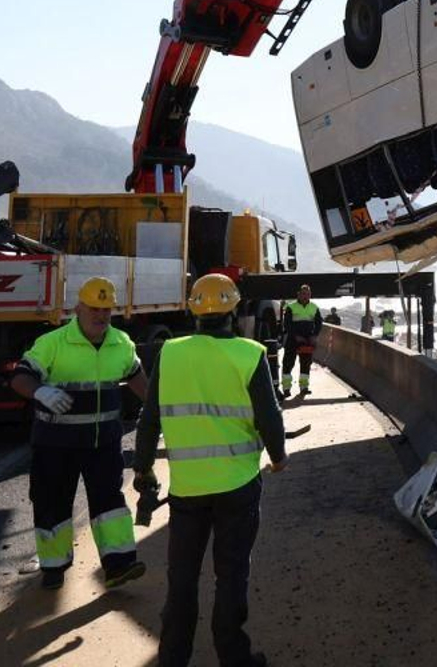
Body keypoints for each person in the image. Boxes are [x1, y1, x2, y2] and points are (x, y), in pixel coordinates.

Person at [134, 273, 285, 667]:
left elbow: (149, 419)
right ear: (234, 311)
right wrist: (278, 456)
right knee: (231, 576)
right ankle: (234, 657)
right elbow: (269, 417)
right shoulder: (250, 354)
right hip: (238, 487)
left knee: (182, 581)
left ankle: (173, 658)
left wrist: (143, 469)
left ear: (193, 311)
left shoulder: (169, 353)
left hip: (187, 491)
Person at [9, 276, 148, 590]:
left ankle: (119, 566)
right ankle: (54, 567)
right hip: (55, 444)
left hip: (103, 442)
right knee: (52, 502)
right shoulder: (53, 343)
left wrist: (159, 412)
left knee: (110, 503)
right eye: (94, 309)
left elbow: (139, 381)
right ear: (78, 309)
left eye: (106, 310)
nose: (101, 315)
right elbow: (20, 378)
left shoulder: (121, 343)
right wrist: (40, 391)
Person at [279, 285, 322, 397]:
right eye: (303, 294)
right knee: (288, 363)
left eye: (307, 294)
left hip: (307, 340)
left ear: (310, 295)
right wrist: (296, 336)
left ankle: (304, 388)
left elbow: (318, 323)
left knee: (306, 364)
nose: (305, 296)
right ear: (298, 294)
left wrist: (314, 336)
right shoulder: (291, 307)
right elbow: (287, 324)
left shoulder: (314, 307)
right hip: (293, 340)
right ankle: (286, 389)